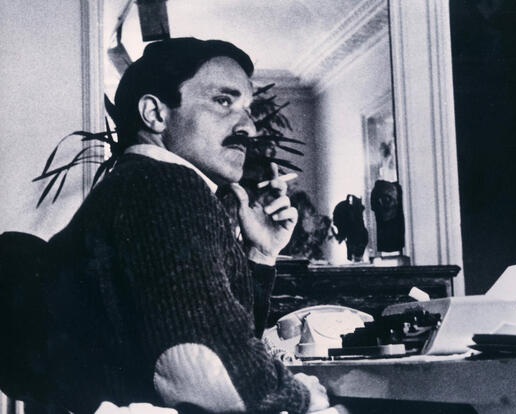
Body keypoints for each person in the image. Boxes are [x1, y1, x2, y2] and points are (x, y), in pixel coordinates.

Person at [41, 38, 329, 413]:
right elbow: (214, 374)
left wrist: (260, 254)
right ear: (155, 114)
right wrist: (305, 395)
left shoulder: (139, 184)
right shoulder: (166, 186)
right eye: (223, 101)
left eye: (247, 108)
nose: (249, 126)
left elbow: (227, 342)